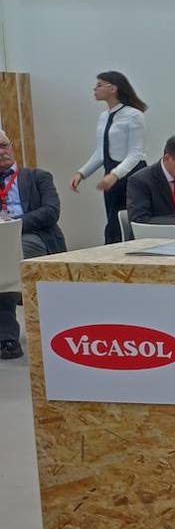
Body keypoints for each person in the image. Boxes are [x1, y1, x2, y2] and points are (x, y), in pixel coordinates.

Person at [0, 130, 67, 360]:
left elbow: (51, 212)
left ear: (11, 146)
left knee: (7, 264)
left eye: (4, 145)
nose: (2, 152)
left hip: (31, 235)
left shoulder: (38, 177)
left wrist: (15, 224)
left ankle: (7, 338)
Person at [70, 71, 148, 244]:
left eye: (99, 85)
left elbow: (135, 153)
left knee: (128, 222)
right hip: (111, 175)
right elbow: (101, 152)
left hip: (132, 174)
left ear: (113, 88)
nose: (94, 89)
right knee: (113, 222)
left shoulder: (134, 115)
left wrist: (115, 174)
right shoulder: (104, 116)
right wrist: (81, 173)